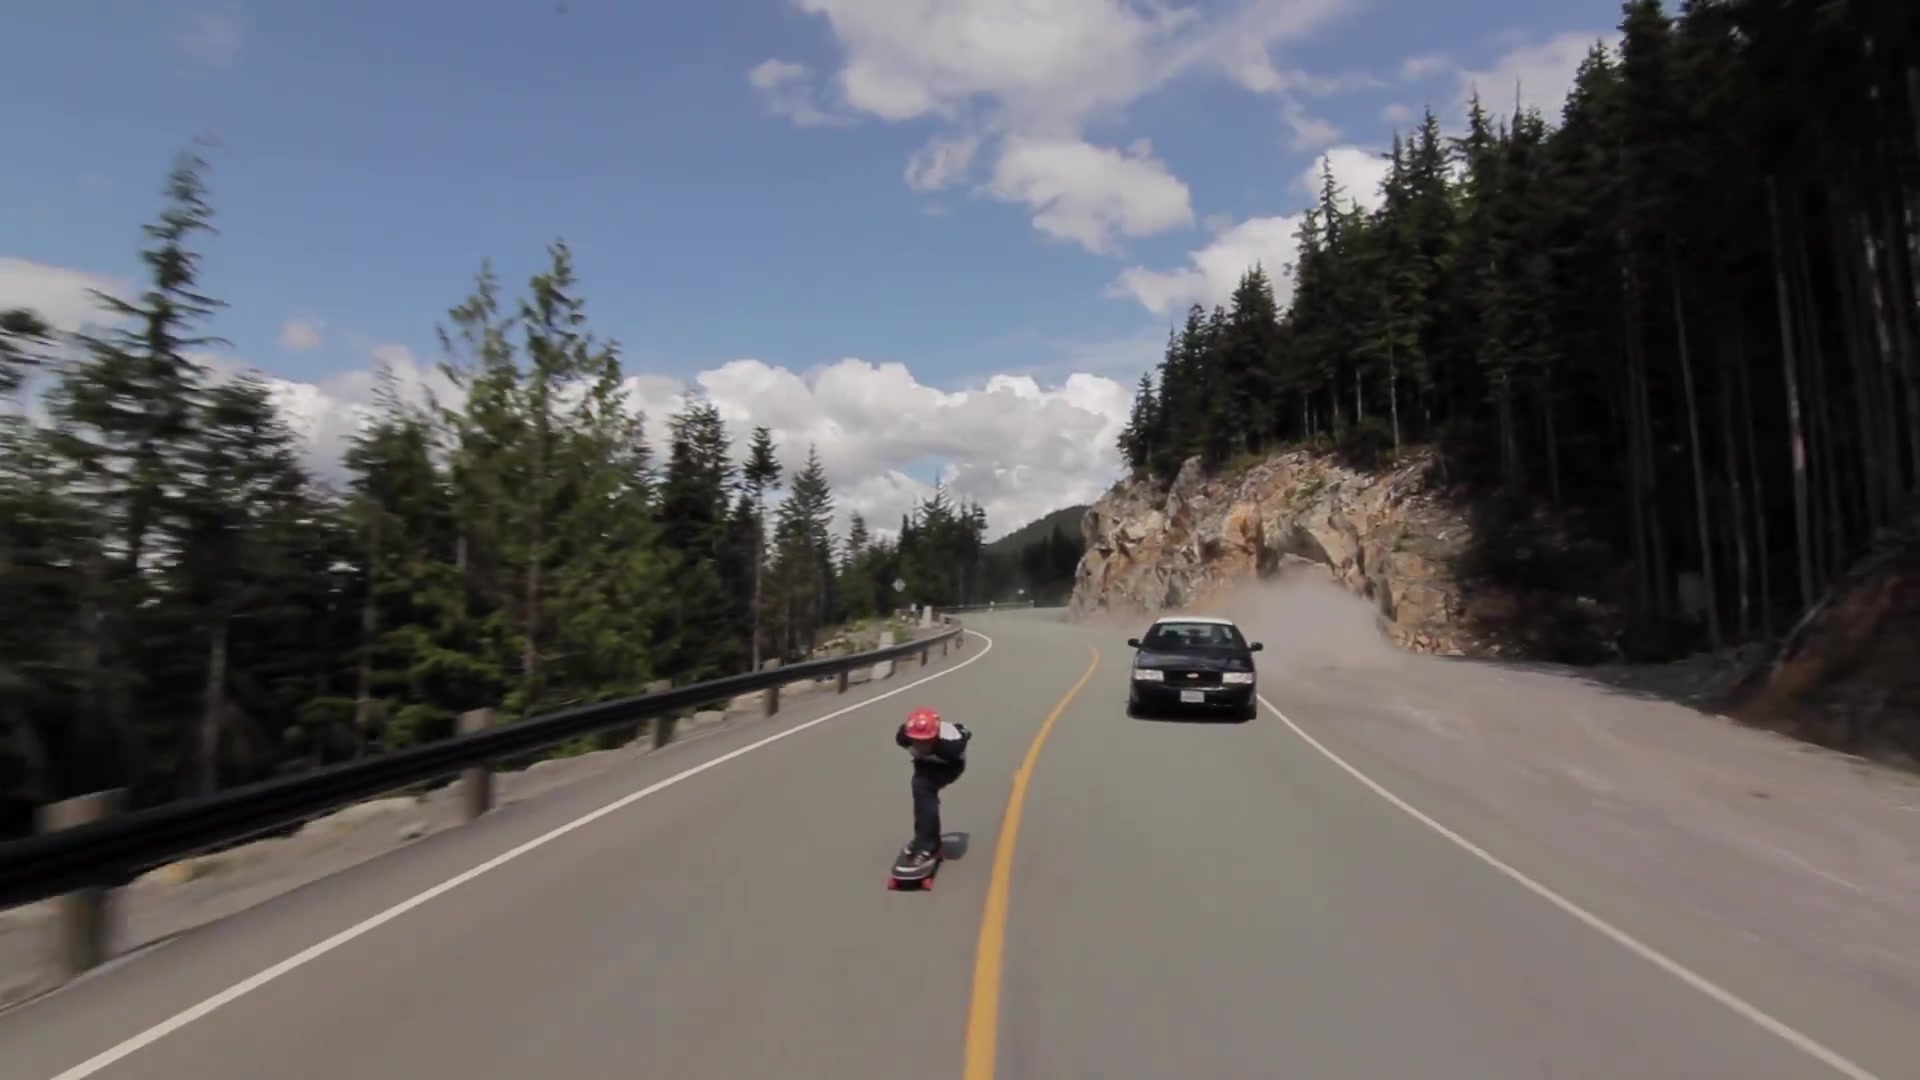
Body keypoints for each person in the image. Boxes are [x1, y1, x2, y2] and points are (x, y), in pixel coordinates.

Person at [894, 706, 970, 871]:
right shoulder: (903, 737)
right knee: (921, 794)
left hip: (949, 766)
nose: (921, 745)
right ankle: (925, 837)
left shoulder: (951, 747)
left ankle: (928, 845)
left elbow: (964, 735)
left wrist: (962, 731)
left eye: (927, 741)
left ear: (936, 737)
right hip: (923, 763)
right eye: (917, 740)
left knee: (923, 788)